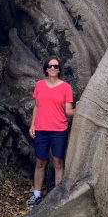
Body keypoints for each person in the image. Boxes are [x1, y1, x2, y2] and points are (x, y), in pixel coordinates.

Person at [28, 56, 74, 206]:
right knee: (40, 162)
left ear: (59, 69)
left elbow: (68, 111)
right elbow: (36, 106)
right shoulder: (40, 85)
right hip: (41, 129)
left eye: (55, 66)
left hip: (59, 130)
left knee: (58, 162)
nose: (52, 68)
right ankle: (36, 195)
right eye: (50, 66)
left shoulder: (66, 87)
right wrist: (32, 125)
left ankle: (57, 196)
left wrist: (80, 107)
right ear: (46, 69)